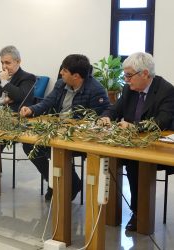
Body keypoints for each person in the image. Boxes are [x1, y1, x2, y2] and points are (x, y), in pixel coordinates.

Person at [99, 52, 174, 231]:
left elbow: (161, 121)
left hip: (158, 148)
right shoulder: (129, 90)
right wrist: (106, 117)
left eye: (129, 75)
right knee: (106, 155)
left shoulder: (167, 90)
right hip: (132, 145)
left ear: (145, 74)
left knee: (134, 162)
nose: (126, 80)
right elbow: (114, 109)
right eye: (125, 75)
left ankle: (138, 212)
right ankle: (108, 211)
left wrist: (133, 127)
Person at [19, 54, 110, 201]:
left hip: (78, 136)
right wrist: (32, 109)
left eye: (64, 71)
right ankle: (59, 181)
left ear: (76, 76)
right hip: (57, 130)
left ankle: (65, 184)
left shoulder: (96, 90)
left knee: (53, 148)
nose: (61, 73)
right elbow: (47, 102)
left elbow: (103, 115)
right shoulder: (61, 84)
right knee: (29, 146)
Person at [0, 45, 36, 112]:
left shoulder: (28, 78)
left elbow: (20, 97)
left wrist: (4, 82)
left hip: (14, 117)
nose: (4, 67)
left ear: (18, 62)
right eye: (2, 63)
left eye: (7, 63)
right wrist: (1, 101)